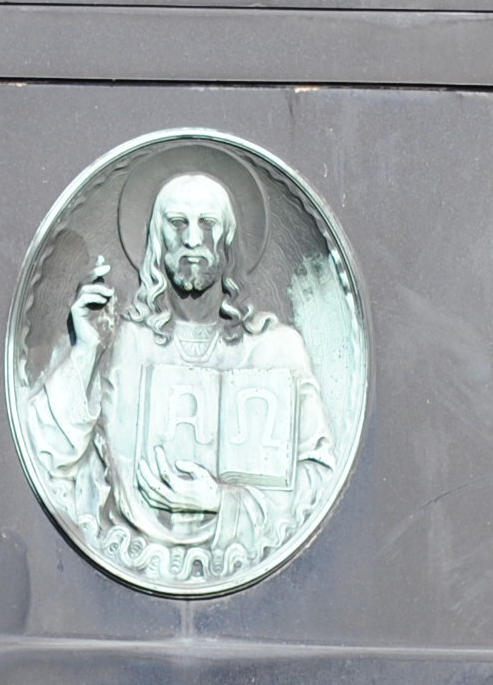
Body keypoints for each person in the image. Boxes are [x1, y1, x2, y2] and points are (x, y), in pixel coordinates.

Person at [21, 169, 336, 588]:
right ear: (155, 239)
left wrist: (224, 504)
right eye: (177, 223)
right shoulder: (118, 345)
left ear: (227, 241)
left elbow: (318, 481)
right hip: (119, 565)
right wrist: (85, 351)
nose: (192, 240)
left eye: (207, 225)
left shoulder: (276, 351)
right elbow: (48, 452)